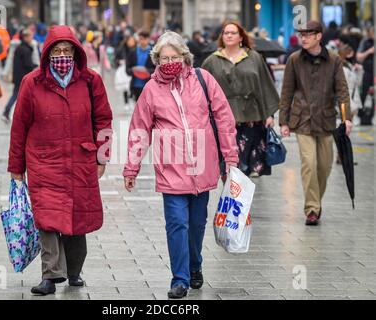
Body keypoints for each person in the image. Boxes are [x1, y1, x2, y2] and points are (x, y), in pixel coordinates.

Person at [123, 31, 238, 299]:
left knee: (197, 224)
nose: (170, 62)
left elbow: (223, 118)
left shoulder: (203, 79)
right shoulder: (151, 90)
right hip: (171, 169)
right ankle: (180, 279)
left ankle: (195, 265)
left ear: (185, 56)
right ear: (157, 60)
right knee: (177, 224)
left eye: (174, 57)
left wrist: (230, 157)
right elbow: (139, 130)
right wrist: (131, 167)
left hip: (203, 166)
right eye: (164, 58)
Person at [8, 25, 113, 296]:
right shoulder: (32, 82)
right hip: (44, 163)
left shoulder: (91, 81)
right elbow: (19, 126)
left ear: (76, 52)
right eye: (57, 50)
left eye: (67, 50)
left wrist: (103, 155)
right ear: (47, 54)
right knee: (47, 219)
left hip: (81, 161)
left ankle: (74, 271)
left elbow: (103, 120)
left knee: (78, 220)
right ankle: (50, 275)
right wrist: (16, 168)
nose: (62, 55)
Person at [279, 21, 351, 226]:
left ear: (319, 36)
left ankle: (315, 201)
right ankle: (312, 209)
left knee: (324, 167)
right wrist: (283, 121)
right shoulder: (294, 60)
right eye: (302, 35)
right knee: (309, 164)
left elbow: (342, 91)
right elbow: (286, 92)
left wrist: (346, 118)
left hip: (326, 120)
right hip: (302, 120)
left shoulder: (334, 61)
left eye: (308, 35)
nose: (303, 38)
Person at [202, 21, 280, 178]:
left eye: (233, 33)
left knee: (245, 167)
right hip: (222, 118)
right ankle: (232, 198)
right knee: (227, 166)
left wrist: (269, 114)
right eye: (226, 33)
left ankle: (240, 200)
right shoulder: (211, 61)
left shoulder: (254, 58)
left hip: (251, 117)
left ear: (241, 37)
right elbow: (201, 88)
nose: (229, 35)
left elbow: (264, 85)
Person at [1, 29, 37, 123]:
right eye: (30, 36)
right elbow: (28, 64)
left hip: (18, 76)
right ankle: (6, 112)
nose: (31, 38)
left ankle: (8, 112)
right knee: (17, 95)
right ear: (25, 37)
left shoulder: (19, 48)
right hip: (23, 77)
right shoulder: (25, 49)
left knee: (18, 95)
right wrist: (36, 66)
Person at [126, 31, 155, 101]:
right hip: (136, 85)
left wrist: (146, 71)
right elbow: (127, 69)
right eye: (141, 39)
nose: (142, 41)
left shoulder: (153, 53)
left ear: (148, 39)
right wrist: (134, 70)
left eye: (144, 39)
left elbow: (156, 69)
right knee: (138, 107)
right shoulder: (133, 52)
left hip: (148, 85)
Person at [356, 26, 374, 125]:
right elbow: (359, 57)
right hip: (367, 72)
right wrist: (369, 51)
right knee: (363, 94)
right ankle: (361, 116)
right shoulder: (365, 42)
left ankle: (372, 116)